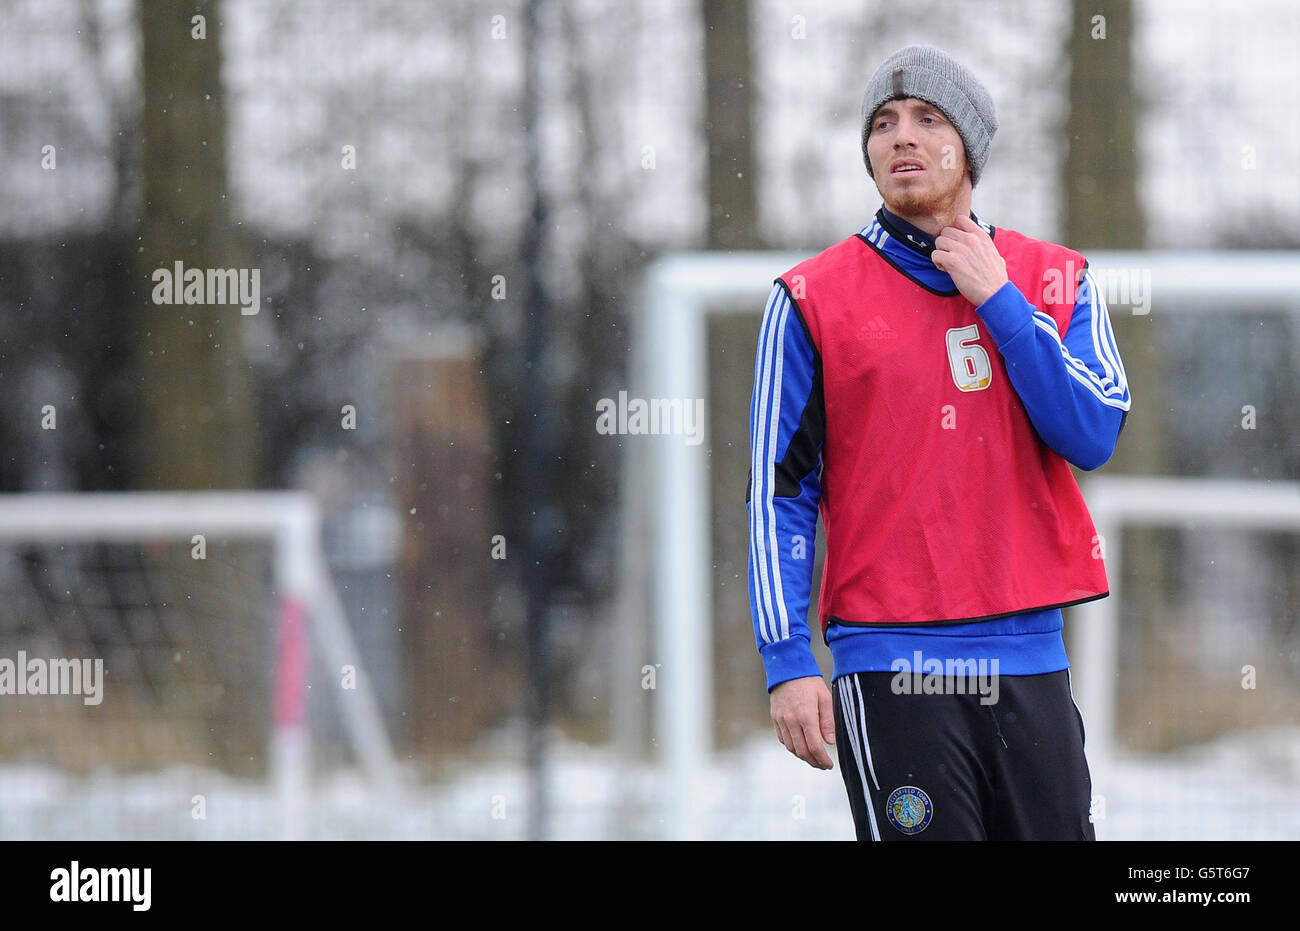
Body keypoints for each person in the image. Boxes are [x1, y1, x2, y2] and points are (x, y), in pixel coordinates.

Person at [745, 44, 1131, 840]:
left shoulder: (1053, 279)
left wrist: (1002, 303)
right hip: (891, 664)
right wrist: (787, 660)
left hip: (1030, 656)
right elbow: (780, 495)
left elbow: (1092, 432)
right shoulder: (811, 299)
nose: (900, 138)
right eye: (882, 125)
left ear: (971, 148)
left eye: (927, 118)